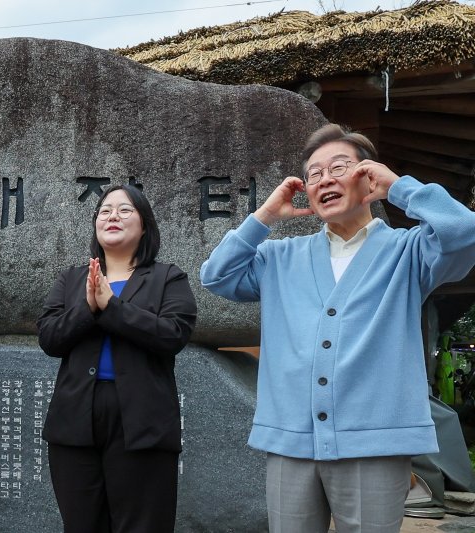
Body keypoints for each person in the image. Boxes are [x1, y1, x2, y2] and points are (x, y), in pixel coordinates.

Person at [200, 123, 475, 533]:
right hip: (292, 443)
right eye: (314, 174)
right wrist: (266, 216)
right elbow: (216, 276)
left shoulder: (409, 251)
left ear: (368, 177)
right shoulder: (280, 256)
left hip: (375, 445)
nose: (324, 179)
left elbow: (464, 232)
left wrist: (399, 187)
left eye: (339, 167)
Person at [37, 184, 197, 533]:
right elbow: (49, 338)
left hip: (142, 423)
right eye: (105, 210)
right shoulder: (72, 279)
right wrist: (88, 308)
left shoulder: (168, 277)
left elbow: (173, 335)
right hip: (75, 421)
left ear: (144, 225)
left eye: (125, 210)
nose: (112, 216)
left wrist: (112, 307)